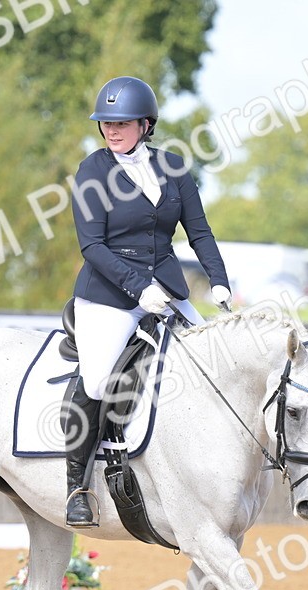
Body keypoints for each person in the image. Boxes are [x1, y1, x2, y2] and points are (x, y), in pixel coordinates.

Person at [62, 75, 232, 527]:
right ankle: (77, 486)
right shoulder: (92, 171)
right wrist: (139, 288)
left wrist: (219, 282)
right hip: (109, 295)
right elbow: (92, 246)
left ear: (146, 124)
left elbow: (199, 232)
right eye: (106, 123)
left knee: (213, 361)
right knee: (98, 380)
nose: (112, 130)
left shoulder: (173, 167)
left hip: (168, 289)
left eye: (122, 122)